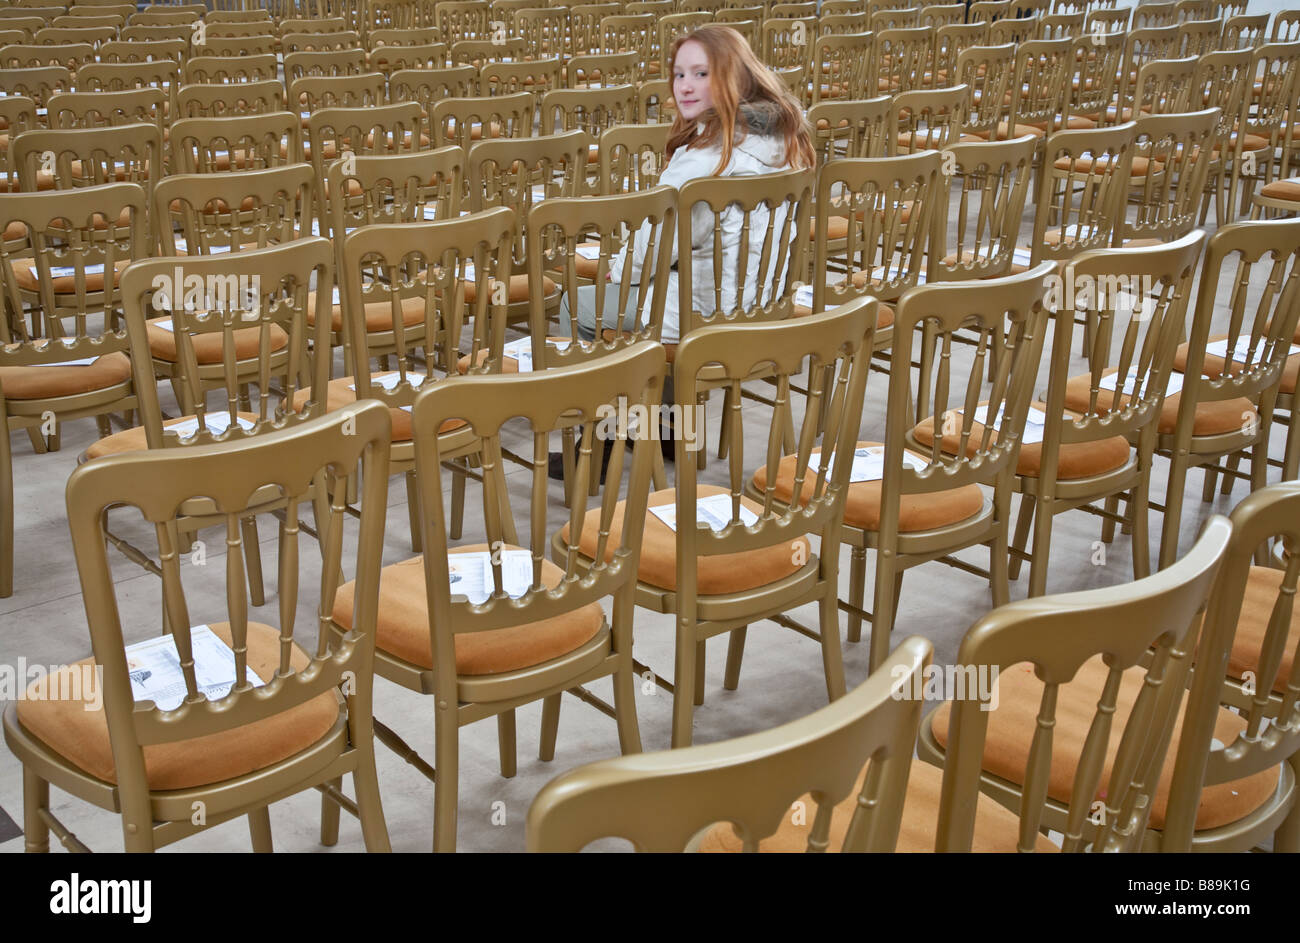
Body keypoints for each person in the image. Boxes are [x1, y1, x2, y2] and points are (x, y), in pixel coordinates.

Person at [551, 25, 815, 480]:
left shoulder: (707, 155)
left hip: (708, 309)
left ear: (735, 77)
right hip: (761, 301)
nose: (686, 86)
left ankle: (601, 447)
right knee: (652, 296)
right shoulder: (783, 139)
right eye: (678, 74)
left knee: (582, 306)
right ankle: (670, 428)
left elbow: (654, 246)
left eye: (701, 73)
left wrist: (616, 271)